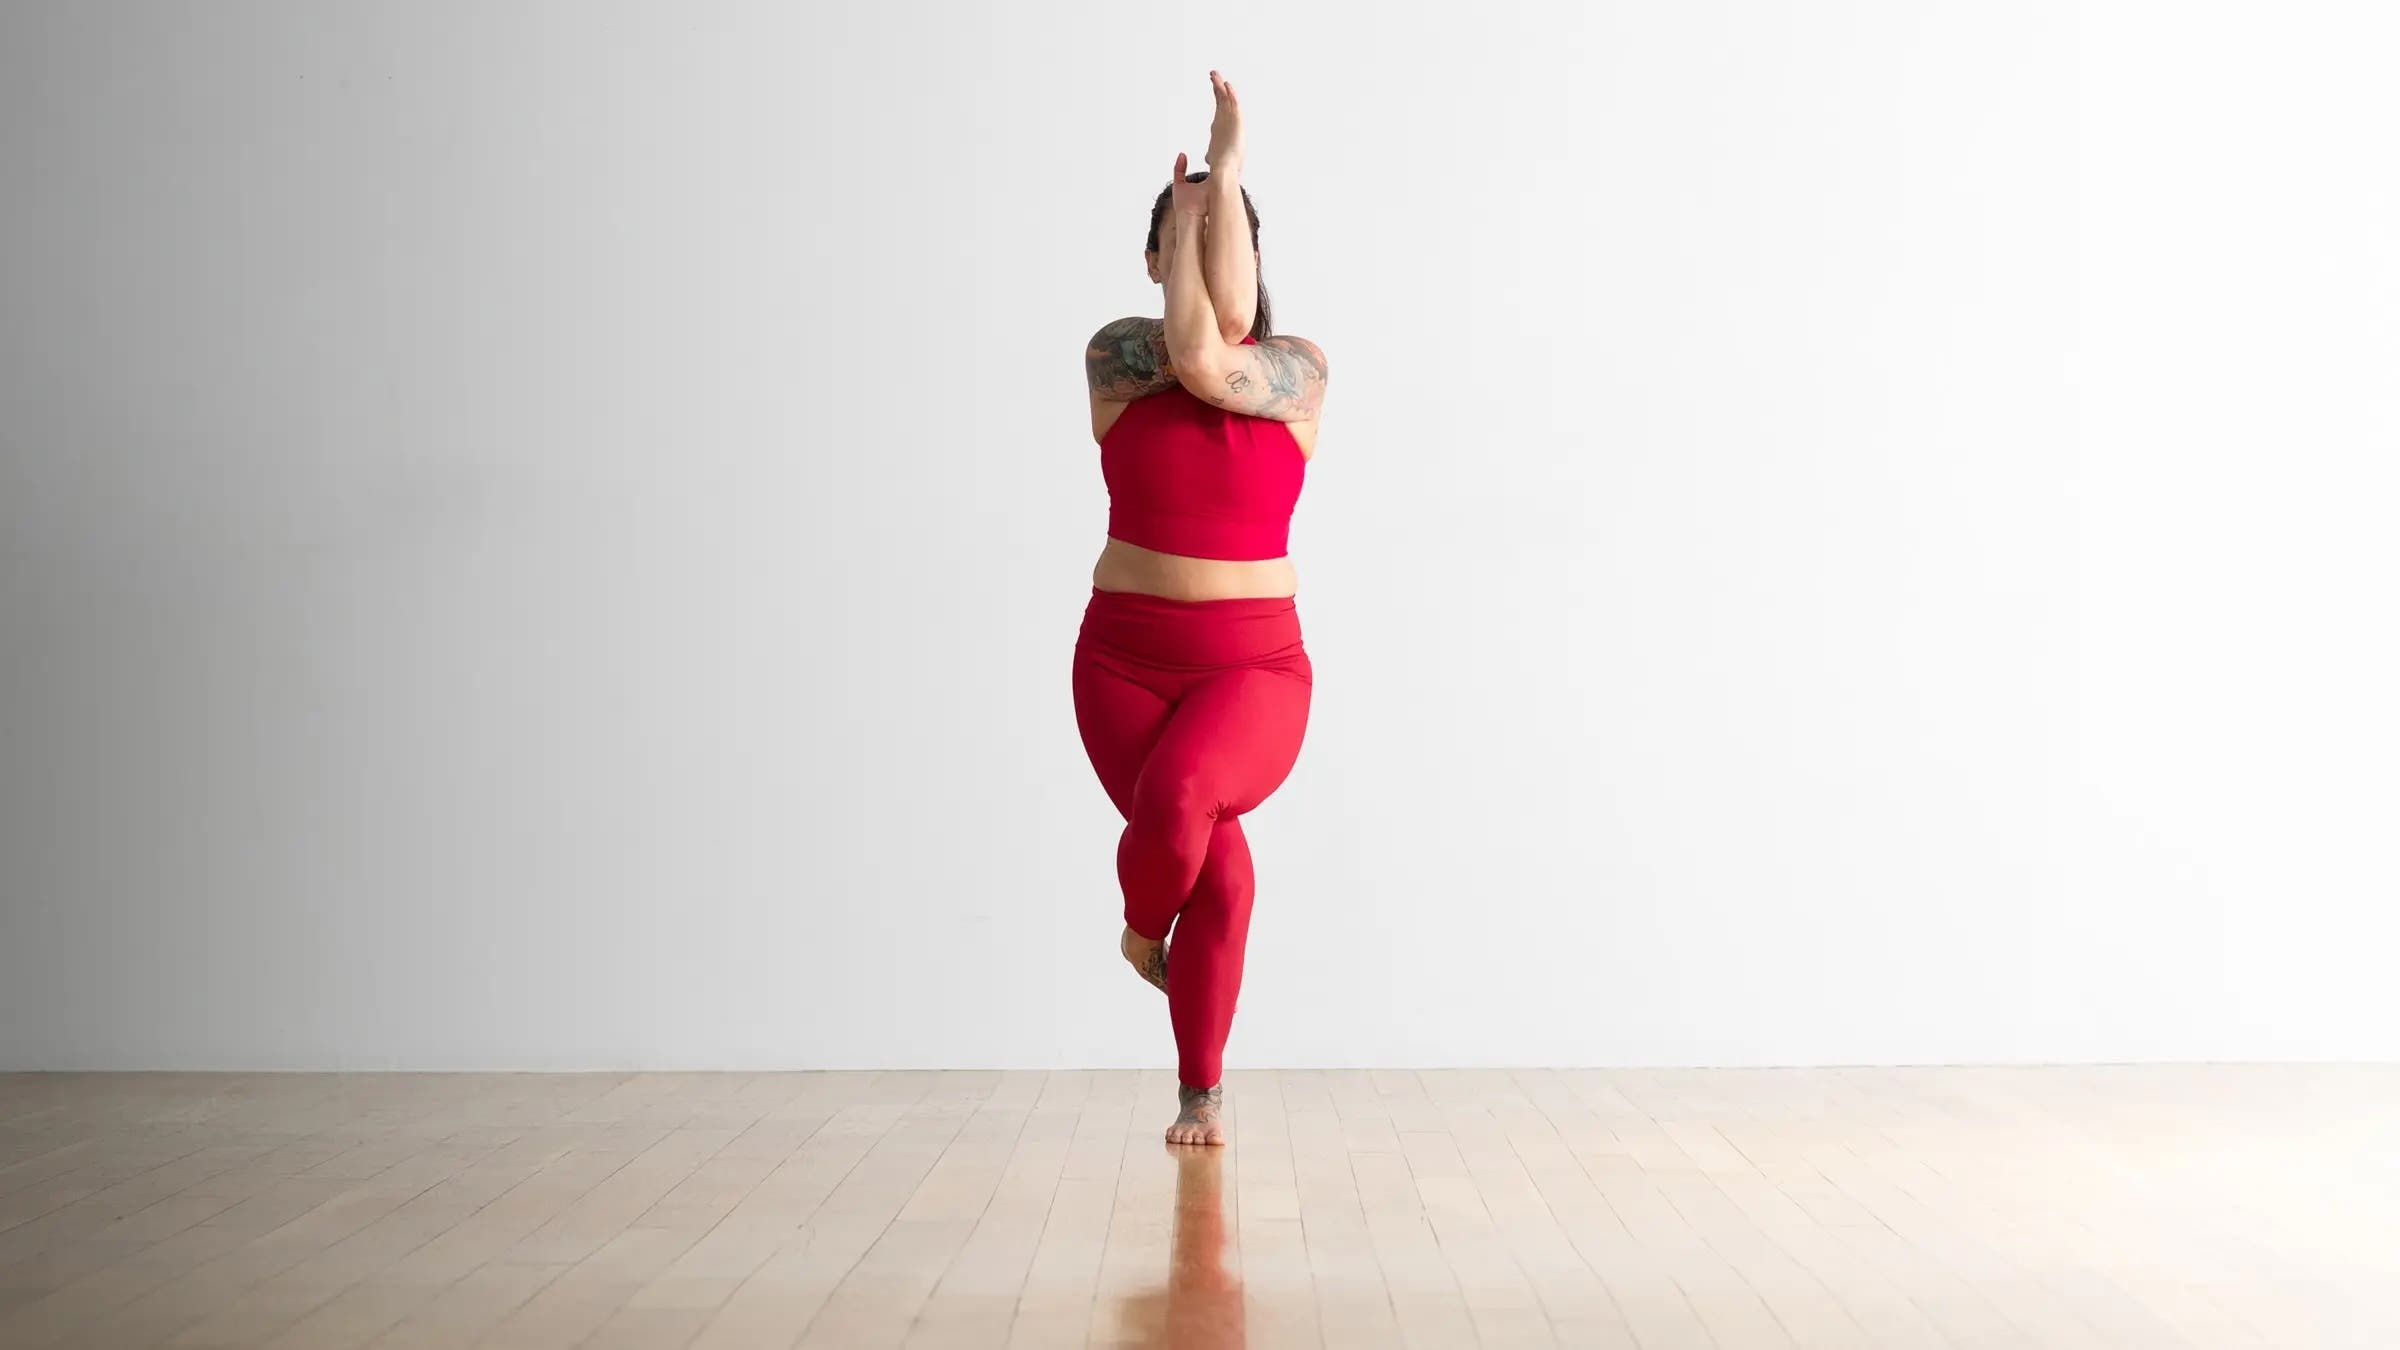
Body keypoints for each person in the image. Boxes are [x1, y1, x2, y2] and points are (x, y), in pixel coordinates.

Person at [1074, 71, 1330, 1145]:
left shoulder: (1296, 372)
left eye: (1227, 235)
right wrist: (1196, 215)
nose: (1205, 249)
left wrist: (1219, 176)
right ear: (1151, 263)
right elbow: (1187, 346)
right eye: (1176, 240)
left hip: (1256, 673)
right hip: (1122, 666)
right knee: (1215, 864)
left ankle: (1141, 935)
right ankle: (1202, 1090)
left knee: (1184, 798)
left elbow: (1217, 344)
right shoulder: (1115, 362)